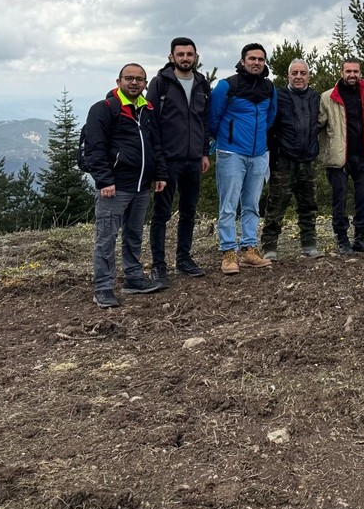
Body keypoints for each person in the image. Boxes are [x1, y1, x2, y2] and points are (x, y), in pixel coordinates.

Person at [83, 64, 168, 308]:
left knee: (134, 234)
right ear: (118, 81)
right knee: (106, 237)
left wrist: (160, 174)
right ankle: (103, 287)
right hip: (115, 187)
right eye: (129, 78)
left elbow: (155, 145)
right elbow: (94, 148)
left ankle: (133, 278)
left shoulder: (147, 110)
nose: (134, 83)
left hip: (142, 186)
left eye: (139, 79)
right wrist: (104, 180)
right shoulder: (105, 109)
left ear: (145, 83)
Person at [146, 37, 210, 284]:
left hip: (193, 159)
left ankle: (183, 259)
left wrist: (204, 153)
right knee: (161, 214)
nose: (185, 58)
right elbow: (152, 124)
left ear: (195, 56)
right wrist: (158, 161)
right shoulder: (160, 83)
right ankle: (158, 265)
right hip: (168, 160)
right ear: (171, 56)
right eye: (180, 54)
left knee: (188, 212)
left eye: (189, 54)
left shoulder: (202, 84)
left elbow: (204, 122)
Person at [209, 43, 277, 274]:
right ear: (243, 60)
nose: (256, 62)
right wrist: (229, 137)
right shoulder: (226, 86)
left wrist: (257, 142)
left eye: (260, 59)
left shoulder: (269, 88)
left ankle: (249, 249)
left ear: (264, 62)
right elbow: (213, 119)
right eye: (252, 58)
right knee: (228, 205)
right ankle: (228, 252)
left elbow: (270, 117)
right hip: (231, 152)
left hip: (259, 154)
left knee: (252, 204)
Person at [261, 59, 323, 260]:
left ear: (308, 76)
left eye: (302, 73)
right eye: (294, 73)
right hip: (283, 161)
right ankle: (269, 247)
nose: (298, 76)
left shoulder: (315, 97)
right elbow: (268, 126)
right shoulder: (278, 96)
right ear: (288, 76)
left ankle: (309, 244)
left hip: (307, 160)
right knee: (276, 205)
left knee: (308, 206)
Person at [319, 57, 364, 255]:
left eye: (356, 72)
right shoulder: (328, 97)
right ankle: (341, 239)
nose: (352, 75)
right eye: (348, 71)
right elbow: (318, 125)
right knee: (339, 200)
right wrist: (323, 150)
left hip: (362, 156)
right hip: (338, 157)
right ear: (341, 73)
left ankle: (359, 237)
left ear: (360, 74)